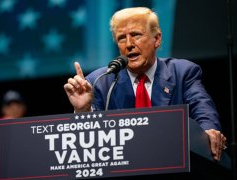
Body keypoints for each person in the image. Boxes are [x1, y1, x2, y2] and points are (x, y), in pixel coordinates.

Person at [63, 7, 227, 161]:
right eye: (121, 38)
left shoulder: (182, 72)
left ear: (157, 39)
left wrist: (208, 133)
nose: (129, 44)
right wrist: (82, 110)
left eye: (136, 35)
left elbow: (202, 108)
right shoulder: (99, 82)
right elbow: (88, 143)